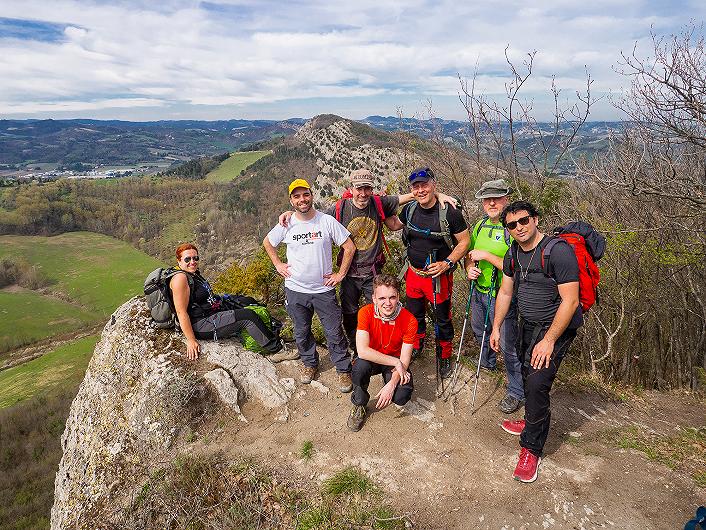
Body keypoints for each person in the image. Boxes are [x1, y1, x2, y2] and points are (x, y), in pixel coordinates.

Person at [278, 168, 457, 357]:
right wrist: (291, 212)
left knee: (382, 311)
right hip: (349, 274)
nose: (363, 194)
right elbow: (312, 216)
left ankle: (383, 347)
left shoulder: (378, 203)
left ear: (372, 190)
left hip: (373, 272)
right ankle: (358, 350)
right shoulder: (339, 209)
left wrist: (436, 193)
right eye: (359, 189)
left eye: (367, 189)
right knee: (350, 315)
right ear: (351, 189)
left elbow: (414, 195)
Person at [489, 201, 580, 483]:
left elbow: (571, 300)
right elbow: (505, 293)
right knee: (527, 375)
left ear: (535, 219)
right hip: (526, 325)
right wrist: (496, 327)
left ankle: (531, 448)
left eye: (524, 221)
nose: (519, 228)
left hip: (554, 328)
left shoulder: (558, 252)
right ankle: (531, 420)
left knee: (538, 383)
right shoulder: (513, 254)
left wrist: (549, 340)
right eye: (512, 225)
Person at [264, 178, 356, 392]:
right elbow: (268, 242)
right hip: (295, 289)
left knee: (334, 331)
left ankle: (343, 370)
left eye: (305, 194)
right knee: (301, 331)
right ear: (291, 200)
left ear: (311, 195)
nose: (302, 199)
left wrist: (340, 274)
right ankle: (309, 364)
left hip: (324, 290)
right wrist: (278, 264)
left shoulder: (326, 221)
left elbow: (349, 246)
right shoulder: (286, 224)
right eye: (297, 196)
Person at [398, 166, 470, 378]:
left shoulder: (450, 212)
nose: (420, 190)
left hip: (439, 279)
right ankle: (418, 345)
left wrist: (447, 263)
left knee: (443, 319)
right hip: (413, 275)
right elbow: (393, 224)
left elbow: (464, 242)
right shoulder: (410, 209)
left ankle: (445, 354)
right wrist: (377, 207)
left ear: (433, 184)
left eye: (424, 185)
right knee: (414, 315)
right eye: (416, 186)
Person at [169, 243, 296, 362]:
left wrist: (228, 299)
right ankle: (275, 350)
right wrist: (191, 340)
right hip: (201, 324)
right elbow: (181, 312)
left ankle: (275, 332)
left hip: (209, 312)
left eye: (195, 258)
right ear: (179, 260)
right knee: (248, 316)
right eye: (187, 259)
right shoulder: (180, 278)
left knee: (247, 301)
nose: (193, 262)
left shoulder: (193, 274)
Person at [465, 179, 524, 414]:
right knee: (480, 331)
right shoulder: (479, 226)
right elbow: (470, 255)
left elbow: (517, 266)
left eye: (497, 198)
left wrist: (487, 256)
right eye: (487, 199)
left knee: (508, 345)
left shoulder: (513, 228)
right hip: (479, 291)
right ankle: (487, 363)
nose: (491, 202)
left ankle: (516, 391)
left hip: (504, 296)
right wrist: (468, 268)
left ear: (505, 200)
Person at [347, 274, 417, 431]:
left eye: (392, 297)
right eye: (382, 298)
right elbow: (363, 351)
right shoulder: (365, 313)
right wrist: (396, 362)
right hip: (372, 358)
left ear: (398, 296)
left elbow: (404, 360)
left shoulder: (409, 320)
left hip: (393, 361)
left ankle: (389, 386)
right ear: (374, 298)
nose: (387, 303)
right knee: (359, 369)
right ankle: (359, 403)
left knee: (401, 395)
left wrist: (391, 385)